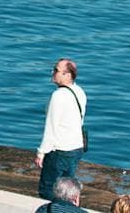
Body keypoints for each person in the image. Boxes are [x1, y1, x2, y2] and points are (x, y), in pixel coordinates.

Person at [36, 58, 88, 202]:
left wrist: (41, 152)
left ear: (67, 75)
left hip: (59, 151)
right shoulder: (80, 92)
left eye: (56, 70)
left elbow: (51, 127)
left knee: (47, 190)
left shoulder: (58, 96)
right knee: (67, 191)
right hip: (76, 148)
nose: (53, 72)